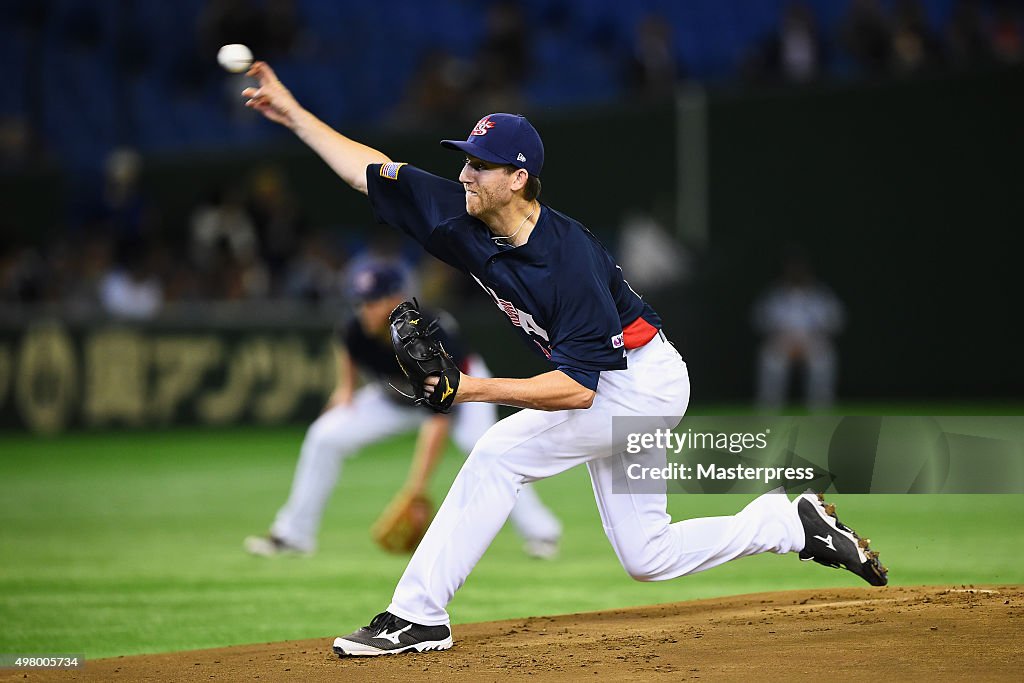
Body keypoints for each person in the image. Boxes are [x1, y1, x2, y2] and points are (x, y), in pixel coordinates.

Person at [240, 61, 887, 657]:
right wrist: (292, 112)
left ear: (518, 178)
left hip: (639, 384)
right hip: (621, 382)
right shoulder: (460, 213)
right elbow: (369, 169)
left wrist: (464, 390)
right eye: (464, 159)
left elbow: (581, 391)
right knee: (647, 553)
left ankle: (416, 613)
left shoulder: (567, 260)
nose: (464, 173)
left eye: (480, 164)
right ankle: (786, 521)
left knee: (497, 453)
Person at [244, 260, 562, 560]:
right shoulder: (356, 328)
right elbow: (347, 344)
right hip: (397, 396)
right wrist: (345, 387)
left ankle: (541, 532)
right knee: (324, 435)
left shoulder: (427, 333)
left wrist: (417, 488)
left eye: (374, 300)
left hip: (463, 390)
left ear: (396, 298)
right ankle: (293, 534)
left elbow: (438, 417)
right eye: (361, 301)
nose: (365, 309)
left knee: (484, 447)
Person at [752, 251, 845, 412]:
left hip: (812, 341)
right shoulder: (775, 295)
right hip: (783, 341)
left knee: (823, 359)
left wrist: (815, 335)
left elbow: (837, 320)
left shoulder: (820, 295)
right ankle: (768, 406)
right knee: (770, 358)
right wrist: (781, 336)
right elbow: (760, 319)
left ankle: (821, 406)